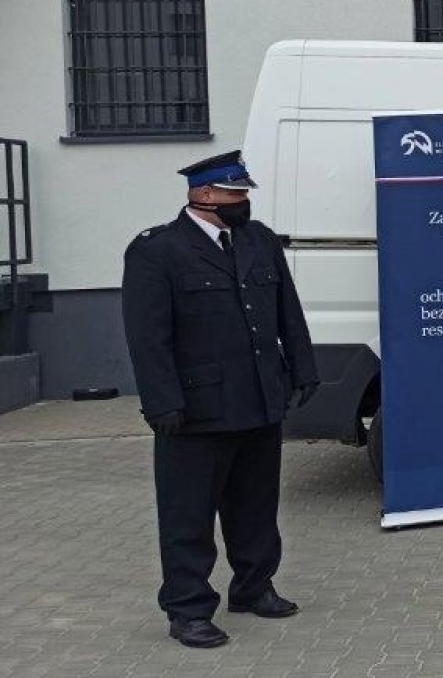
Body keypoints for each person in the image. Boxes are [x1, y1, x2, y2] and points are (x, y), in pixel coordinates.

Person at [121, 151, 320, 648]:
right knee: (188, 514)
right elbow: (148, 337)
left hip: (259, 399)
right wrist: (161, 402)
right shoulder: (158, 250)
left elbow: (287, 310)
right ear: (204, 194)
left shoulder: (259, 240)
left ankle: (254, 587)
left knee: (256, 505)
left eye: (244, 193)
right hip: (196, 409)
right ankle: (188, 608)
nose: (243, 201)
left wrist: (303, 367)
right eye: (235, 193)